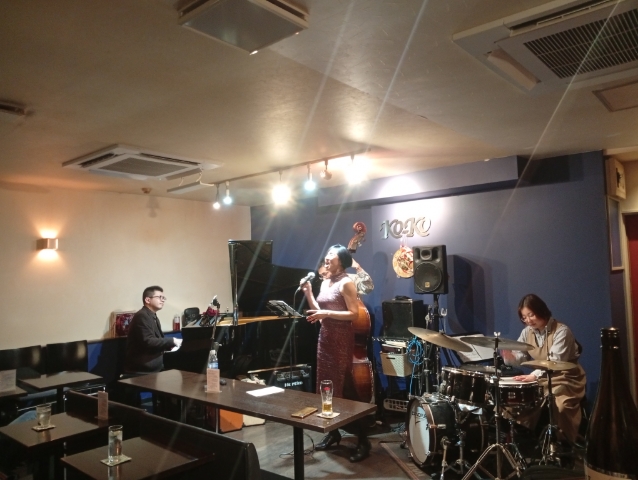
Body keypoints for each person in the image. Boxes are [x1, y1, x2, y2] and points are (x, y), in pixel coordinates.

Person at [301, 245, 371, 462]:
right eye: (327, 254)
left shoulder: (346, 283)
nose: (327, 258)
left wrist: (327, 313)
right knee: (326, 386)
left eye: (331, 255)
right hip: (325, 339)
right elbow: (319, 311)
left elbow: (353, 314)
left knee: (345, 388)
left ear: (341, 260)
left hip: (341, 340)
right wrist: (309, 293)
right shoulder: (325, 281)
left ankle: (363, 440)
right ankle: (333, 432)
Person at [501, 294, 586, 444]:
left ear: (541, 310)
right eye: (524, 317)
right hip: (542, 377)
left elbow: (555, 361)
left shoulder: (562, 331)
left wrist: (534, 376)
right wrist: (510, 357)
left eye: (531, 315)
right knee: (520, 397)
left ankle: (564, 443)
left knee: (561, 406)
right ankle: (523, 438)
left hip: (566, 377)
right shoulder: (527, 332)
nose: (528, 320)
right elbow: (521, 356)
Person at [123, 286, 182, 374]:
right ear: (148, 300)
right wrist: (173, 340)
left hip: (154, 368)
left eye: (163, 298)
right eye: (160, 297)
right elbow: (148, 341)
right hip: (142, 370)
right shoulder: (142, 316)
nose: (163, 300)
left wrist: (171, 345)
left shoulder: (152, 316)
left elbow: (157, 339)